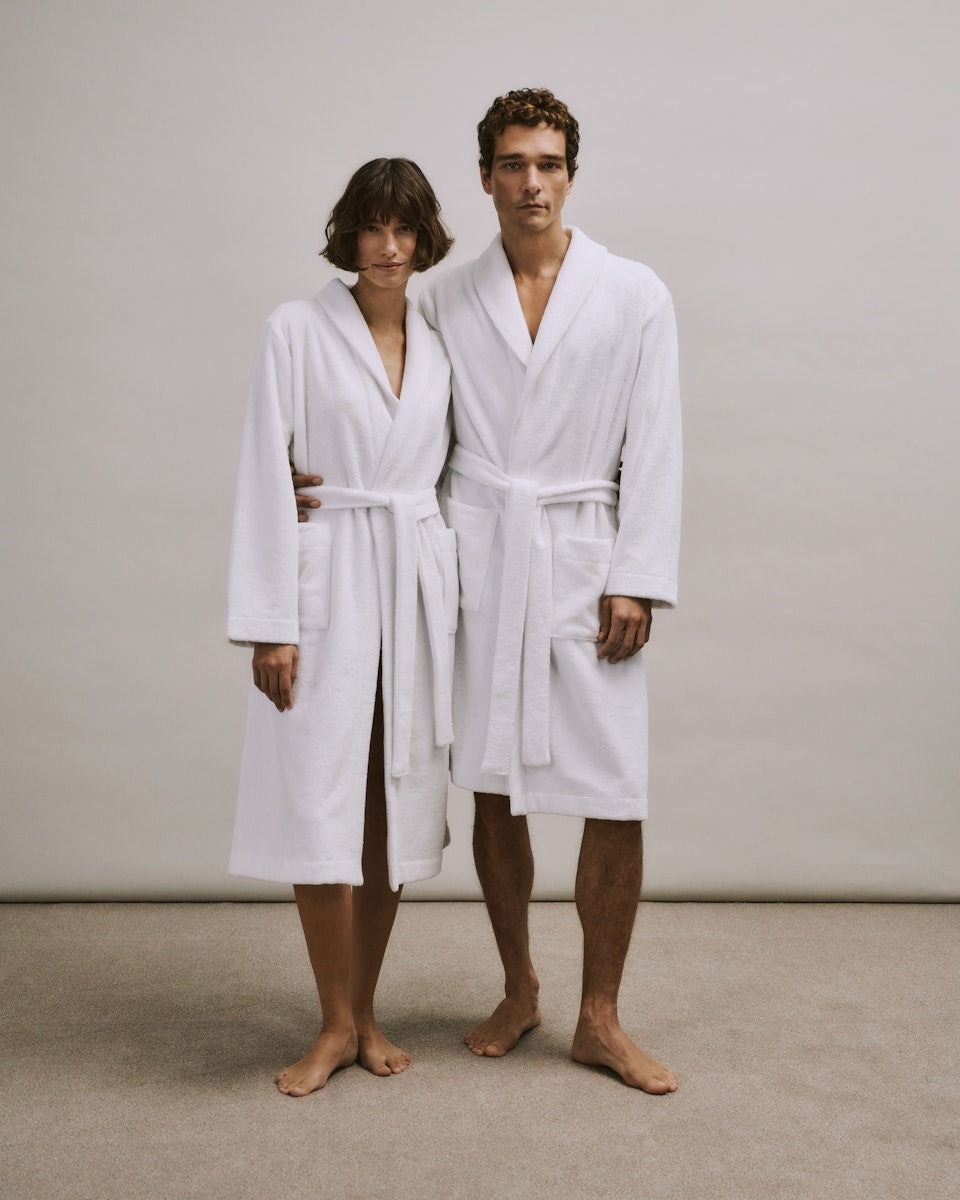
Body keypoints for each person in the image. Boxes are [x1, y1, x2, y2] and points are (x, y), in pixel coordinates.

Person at [295, 88, 682, 1094]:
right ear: (485, 178)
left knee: (614, 789)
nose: (531, 182)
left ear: (571, 174)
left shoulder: (635, 292)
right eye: (512, 164)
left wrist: (638, 574)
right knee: (495, 787)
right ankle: (520, 988)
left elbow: (660, 440)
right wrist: (313, 479)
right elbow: (398, 412)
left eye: (548, 163)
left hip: (586, 554)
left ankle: (601, 1016)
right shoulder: (448, 297)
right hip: (476, 562)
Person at [227, 158, 457, 1097]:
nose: (389, 247)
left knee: (389, 799)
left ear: (424, 238)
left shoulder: (441, 342)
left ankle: (367, 1010)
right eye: (373, 227)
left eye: (405, 229)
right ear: (348, 234)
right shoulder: (295, 329)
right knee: (323, 795)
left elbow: (457, 471)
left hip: (409, 577)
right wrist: (271, 624)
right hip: (327, 581)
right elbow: (261, 469)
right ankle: (330, 1024)